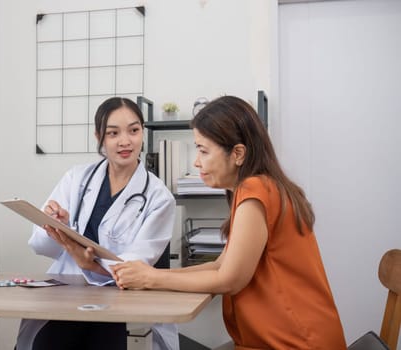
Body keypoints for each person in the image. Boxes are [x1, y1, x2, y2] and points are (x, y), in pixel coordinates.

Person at [111, 95, 347, 350]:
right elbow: (219, 266)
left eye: (203, 150)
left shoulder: (256, 190)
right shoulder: (260, 188)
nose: (196, 161)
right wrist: (151, 275)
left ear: (237, 153)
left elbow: (229, 280)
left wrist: (150, 279)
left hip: (297, 343)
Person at [16, 97, 179, 350]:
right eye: (113, 133)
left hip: (121, 302)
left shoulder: (158, 197)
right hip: (67, 296)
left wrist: (89, 263)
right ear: (99, 137)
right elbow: (39, 244)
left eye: (134, 131)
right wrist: (55, 226)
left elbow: (133, 269)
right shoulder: (76, 178)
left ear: (142, 132)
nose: (125, 141)